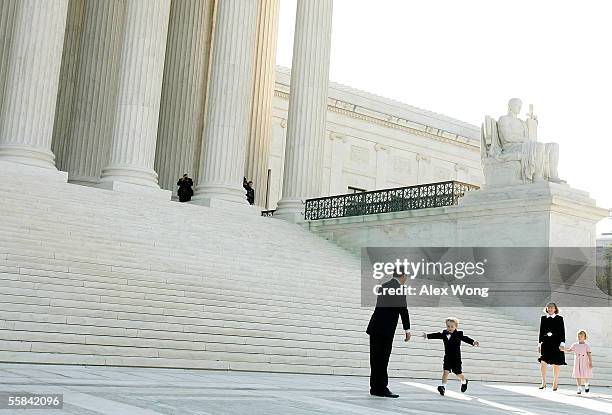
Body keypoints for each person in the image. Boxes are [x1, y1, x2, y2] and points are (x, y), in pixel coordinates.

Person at [366, 272, 411, 398]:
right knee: (383, 359)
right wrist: (407, 329)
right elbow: (403, 310)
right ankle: (382, 388)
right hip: (385, 330)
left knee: (375, 360)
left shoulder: (384, 286)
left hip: (375, 327)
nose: (406, 278)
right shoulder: (400, 289)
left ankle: (374, 387)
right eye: (406, 275)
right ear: (402, 276)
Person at [422, 317, 479, 396]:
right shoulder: (444, 333)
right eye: (448, 326)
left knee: (458, 373)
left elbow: (465, 338)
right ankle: (443, 387)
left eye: (452, 326)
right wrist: (427, 336)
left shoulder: (459, 334)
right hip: (447, 357)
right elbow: (437, 335)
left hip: (456, 358)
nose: (450, 328)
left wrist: (473, 342)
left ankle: (464, 381)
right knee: (446, 371)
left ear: (456, 327)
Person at [538, 302, 566, 391]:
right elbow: (541, 331)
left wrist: (562, 343)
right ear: (546, 309)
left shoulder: (559, 318)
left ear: (555, 309)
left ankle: (555, 382)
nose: (550, 309)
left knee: (556, 363)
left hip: (556, 343)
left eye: (552, 307)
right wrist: (539, 343)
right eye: (548, 307)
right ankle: (543, 382)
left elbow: (562, 331)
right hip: (546, 343)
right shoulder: (543, 318)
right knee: (543, 362)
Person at [561, 330, 593, 394]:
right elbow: (570, 350)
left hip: (584, 361)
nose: (580, 337)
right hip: (577, 361)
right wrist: (563, 349)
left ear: (584, 337)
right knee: (578, 374)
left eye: (581, 336)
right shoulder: (575, 345)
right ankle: (579, 387)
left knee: (585, 373)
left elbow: (589, 354)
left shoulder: (586, 345)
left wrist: (590, 362)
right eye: (579, 336)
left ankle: (586, 384)